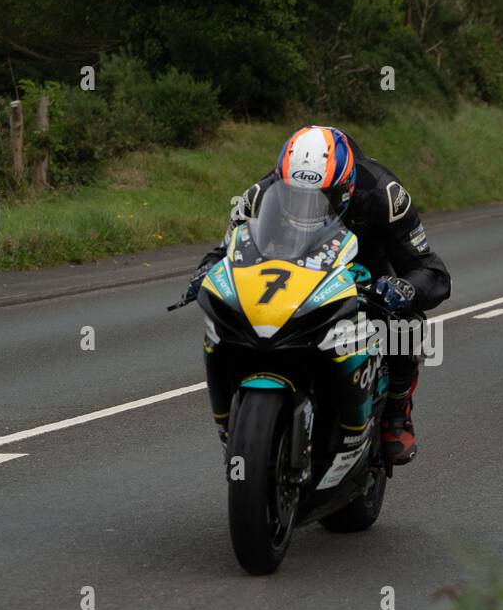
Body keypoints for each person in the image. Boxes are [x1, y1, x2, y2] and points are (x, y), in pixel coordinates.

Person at [186, 125, 450, 464]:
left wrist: (404, 287)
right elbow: (225, 250)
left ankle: (396, 413)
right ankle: (233, 424)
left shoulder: (385, 194)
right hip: (292, 279)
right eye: (295, 195)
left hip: (367, 276)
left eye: (321, 198)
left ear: (345, 188)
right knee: (230, 325)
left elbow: (433, 271)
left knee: (405, 327)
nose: (305, 207)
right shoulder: (258, 195)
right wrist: (204, 272)